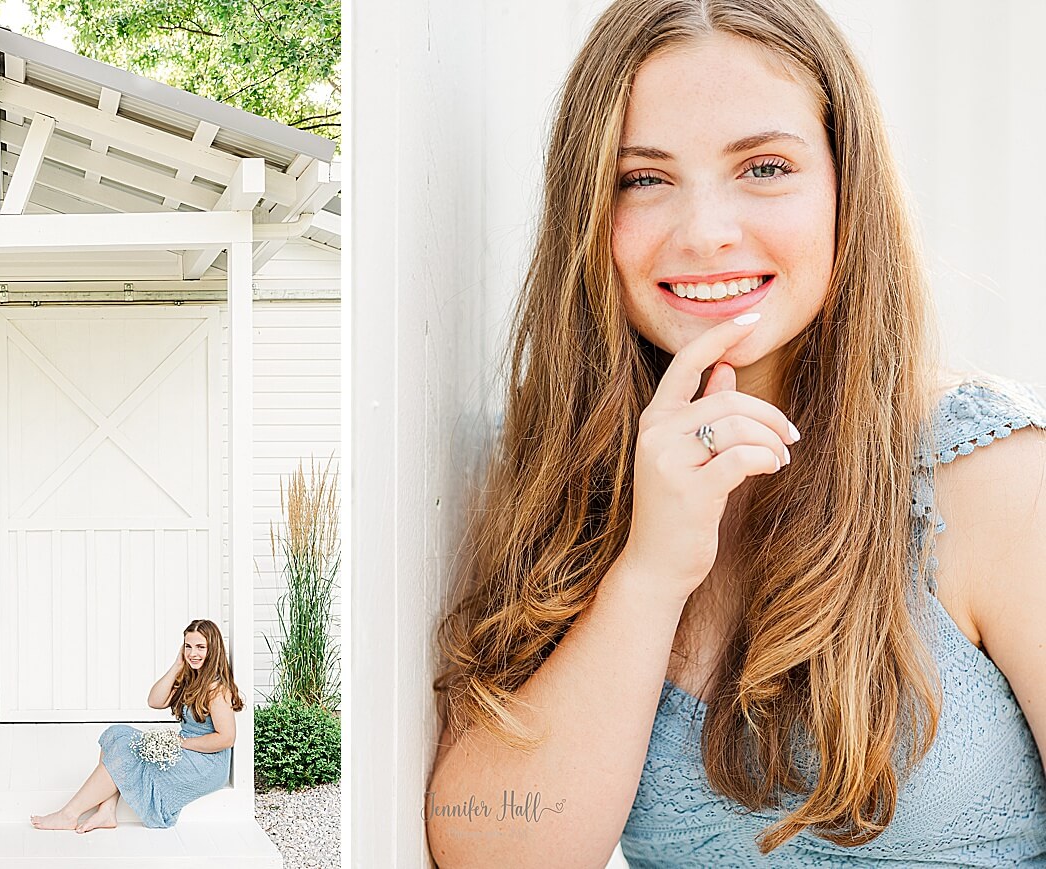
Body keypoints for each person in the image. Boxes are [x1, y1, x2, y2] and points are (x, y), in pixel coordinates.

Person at [424, 0, 1046, 866]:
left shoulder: (997, 478)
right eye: (643, 178)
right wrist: (650, 570)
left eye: (763, 167)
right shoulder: (556, 480)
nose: (707, 232)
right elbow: (496, 849)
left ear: (844, 182)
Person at [30, 618, 244, 832]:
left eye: (200, 647)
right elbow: (154, 701)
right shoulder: (192, 678)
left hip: (208, 763)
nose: (193, 653)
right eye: (188, 646)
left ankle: (69, 814)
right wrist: (177, 665)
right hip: (189, 749)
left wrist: (181, 743)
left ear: (213, 649)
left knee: (127, 750)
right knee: (116, 734)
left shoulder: (216, 689)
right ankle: (107, 811)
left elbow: (226, 738)